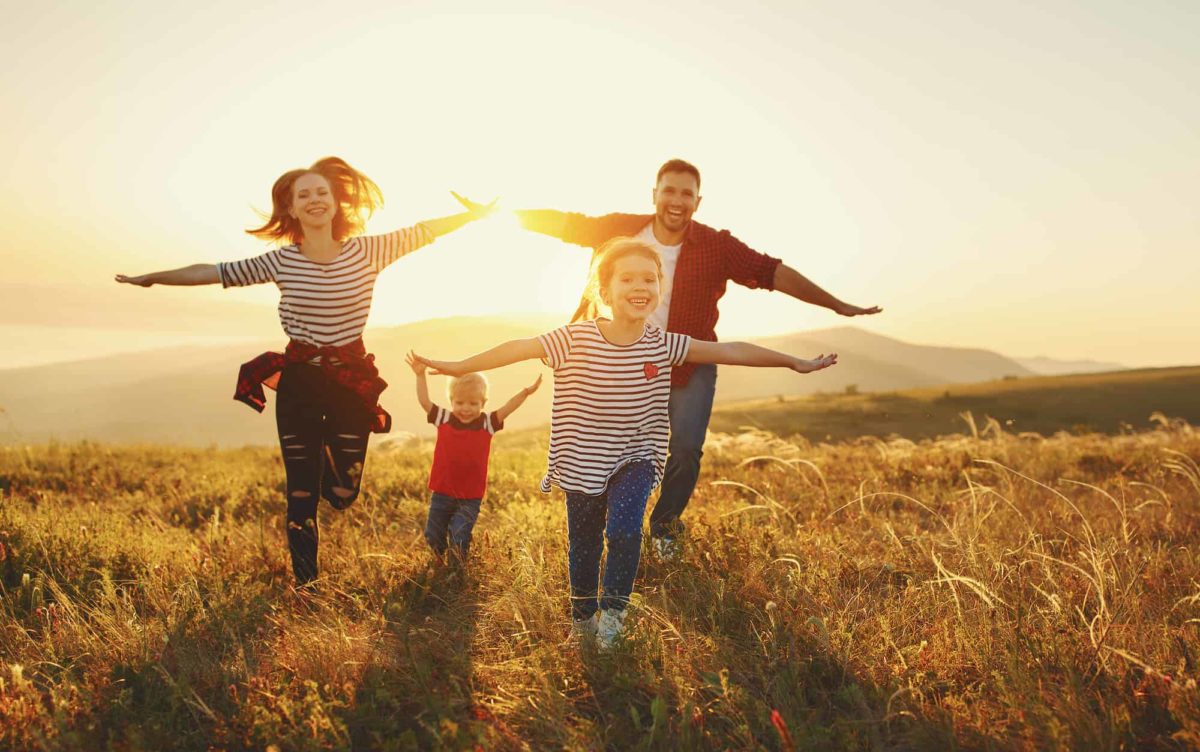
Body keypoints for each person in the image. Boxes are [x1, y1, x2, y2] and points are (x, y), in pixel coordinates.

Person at [413, 237, 837, 648]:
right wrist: (456, 366)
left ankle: (614, 616)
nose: (640, 287)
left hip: (638, 457)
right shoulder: (573, 339)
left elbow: (731, 350)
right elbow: (517, 348)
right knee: (583, 543)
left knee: (624, 528)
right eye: (628, 279)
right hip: (581, 460)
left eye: (649, 279)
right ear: (604, 290)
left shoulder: (663, 344)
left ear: (659, 288)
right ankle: (583, 619)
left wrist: (792, 361)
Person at [455, 158, 881, 560]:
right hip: (616, 359)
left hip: (688, 359)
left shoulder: (716, 246)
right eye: (669, 191)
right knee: (608, 447)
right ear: (654, 194)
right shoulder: (621, 229)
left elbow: (772, 272)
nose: (677, 201)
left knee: (686, 449)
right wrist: (493, 214)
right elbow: (563, 224)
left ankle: (663, 529)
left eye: (687, 194)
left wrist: (836, 305)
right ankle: (604, 523)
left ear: (698, 201)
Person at [116, 156, 491, 588]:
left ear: (335, 203)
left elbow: (424, 231)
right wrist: (153, 278)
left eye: (321, 193)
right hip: (300, 383)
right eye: (303, 195)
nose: (314, 200)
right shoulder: (281, 262)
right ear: (291, 209)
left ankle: (324, 469)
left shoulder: (369, 250)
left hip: (350, 383)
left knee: (343, 493)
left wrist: (473, 214)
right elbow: (213, 271)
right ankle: (306, 585)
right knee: (300, 493)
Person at [405, 353, 541, 563]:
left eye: (472, 403)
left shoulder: (487, 423)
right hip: (442, 493)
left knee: (459, 535)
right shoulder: (444, 419)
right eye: (459, 402)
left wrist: (526, 392)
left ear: (483, 403)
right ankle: (439, 565)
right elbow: (424, 401)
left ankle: (457, 570)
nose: (466, 408)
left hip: (470, 497)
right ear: (451, 401)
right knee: (433, 535)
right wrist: (420, 375)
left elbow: (508, 408)